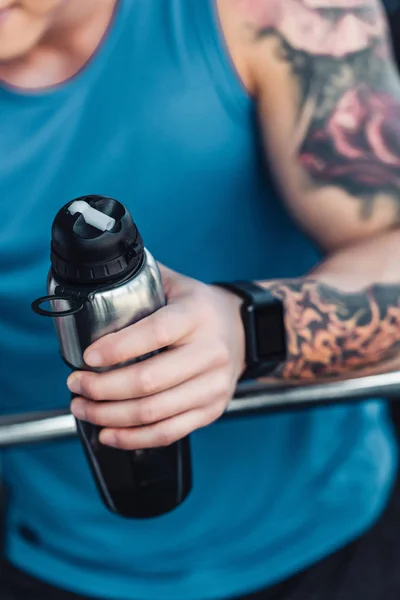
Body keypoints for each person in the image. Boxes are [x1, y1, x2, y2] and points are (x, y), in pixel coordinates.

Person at [1, 0, 400, 598]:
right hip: (53, 555)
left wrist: (246, 330)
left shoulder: (282, 12)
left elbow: (387, 244)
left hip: (334, 533)